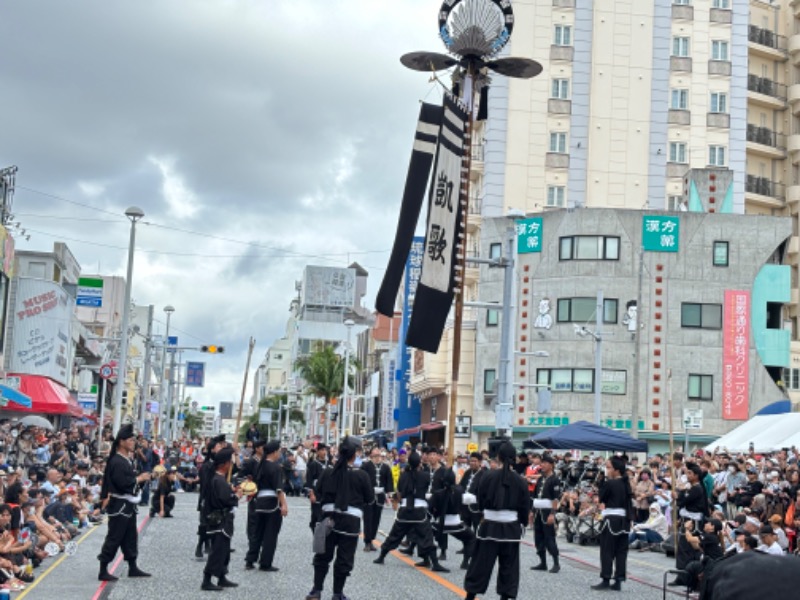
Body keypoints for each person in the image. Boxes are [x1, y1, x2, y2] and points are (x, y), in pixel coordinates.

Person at [306, 437, 374, 600]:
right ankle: (337, 593)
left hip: (328, 517)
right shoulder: (362, 475)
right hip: (350, 521)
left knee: (323, 555)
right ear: (354, 455)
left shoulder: (328, 471)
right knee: (344, 558)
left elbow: (318, 492)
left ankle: (316, 590)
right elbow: (370, 499)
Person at [464, 441, 530, 600]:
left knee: (480, 565)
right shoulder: (521, 481)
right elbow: (524, 506)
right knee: (509, 567)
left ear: (498, 457)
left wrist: (482, 514)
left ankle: (470, 596)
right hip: (511, 529)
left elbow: (480, 501)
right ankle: (505, 597)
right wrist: (522, 522)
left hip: (489, 527)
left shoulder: (487, 476)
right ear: (514, 458)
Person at [373, 451, 447, 572]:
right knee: (426, 536)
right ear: (419, 463)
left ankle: (381, 556)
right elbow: (429, 490)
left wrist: (398, 502)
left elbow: (399, 492)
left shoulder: (404, 475)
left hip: (405, 510)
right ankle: (435, 563)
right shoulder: (425, 475)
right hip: (419, 511)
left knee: (395, 534)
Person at [97, 424, 152, 581]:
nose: (133, 442)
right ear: (121, 442)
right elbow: (123, 483)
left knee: (130, 537)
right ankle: (103, 569)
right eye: (130, 440)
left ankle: (132, 567)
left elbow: (131, 483)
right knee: (114, 537)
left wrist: (143, 479)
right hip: (119, 505)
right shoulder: (117, 461)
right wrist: (139, 479)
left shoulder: (127, 460)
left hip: (128, 505)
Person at [201, 446, 243, 591]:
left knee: (224, 551)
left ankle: (222, 577)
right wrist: (236, 496)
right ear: (224, 464)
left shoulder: (219, 479)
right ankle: (206, 580)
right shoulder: (218, 480)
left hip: (222, 520)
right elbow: (225, 500)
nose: (231, 465)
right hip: (219, 520)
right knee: (217, 551)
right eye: (229, 462)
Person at [591, 455, 633, 591]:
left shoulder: (610, 483)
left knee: (607, 551)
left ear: (616, 470)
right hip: (624, 521)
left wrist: (601, 482)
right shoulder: (626, 484)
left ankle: (606, 578)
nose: (607, 470)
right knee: (621, 552)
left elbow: (602, 498)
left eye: (608, 467)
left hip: (611, 519)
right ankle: (619, 580)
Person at [245, 440, 288, 571]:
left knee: (257, 533)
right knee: (270, 534)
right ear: (274, 452)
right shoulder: (275, 467)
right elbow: (278, 489)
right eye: (279, 451)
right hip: (272, 503)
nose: (280, 453)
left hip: (259, 502)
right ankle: (265, 562)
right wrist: (284, 504)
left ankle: (250, 559)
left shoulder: (260, 465)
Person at [669, 462, 708, 587]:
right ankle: (684, 576)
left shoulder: (697, 488)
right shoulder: (692, 488)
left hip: (693, 523)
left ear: (696, 476)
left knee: (687, 549)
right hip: (688, 520)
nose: (688, 475)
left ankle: (687, 577)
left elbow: (684, 500)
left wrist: (678, 495)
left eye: (690, 473)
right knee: (685, 549)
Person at [429, 468, 475, 570]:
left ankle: (430, 560)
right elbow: (469, 499)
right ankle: (465, 562)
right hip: (456, 524)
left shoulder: (437, 493)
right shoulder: (459, 491)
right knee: (471, 538)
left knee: (425, 537)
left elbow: (430, 508)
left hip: (438, 524)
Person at [196, 434, 226, 559]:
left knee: (215, 522)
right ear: (212, 449)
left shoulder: (221, 463)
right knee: (204, 523)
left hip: (217, 498)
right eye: (219, 446)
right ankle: (200, 544)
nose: (221, 448)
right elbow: (206, 484)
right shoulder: (207, 465)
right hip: (207, 497)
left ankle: (212, 544)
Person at [530, 454, 562, 573]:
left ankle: (556, 563)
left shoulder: (555, 480)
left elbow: (555, 499)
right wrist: (532, 511)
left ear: (551, 465)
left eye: (545, 463)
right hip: (538, 511)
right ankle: (542, 562)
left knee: (549, 538)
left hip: (547, 512)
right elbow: (535, 496)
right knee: (538, 538)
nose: (542, 465)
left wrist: (552, 514)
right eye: (541, 463)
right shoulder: (541, 478)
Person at [361, 445, 394, 552]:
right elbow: (361, 480)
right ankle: (367, 541)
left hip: (380, 495)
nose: (377, 457)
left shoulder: (386, 467)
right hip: (368, 495)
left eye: (378, 454)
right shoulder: (365, 466)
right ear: (371, 455)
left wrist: (389, 495)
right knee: (368, 519)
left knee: (376, 519)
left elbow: (389, 481)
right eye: (375, 455)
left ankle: (372, 540)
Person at [459, 452, 485, 532]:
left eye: (474, 461)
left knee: (477, 531)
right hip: (465, 507)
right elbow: (461, 486)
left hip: (476, 509)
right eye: (471, 461)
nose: (472, 463)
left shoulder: (484, 474)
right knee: (465, 531)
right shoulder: (467, 472)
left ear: (480, 462)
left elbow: (484, 493)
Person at [306, 444, 329, 533]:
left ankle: (322, 537)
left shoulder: (329, 464)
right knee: (316, 517)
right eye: (322, 450)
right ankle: (316, 533)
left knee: (324, 517)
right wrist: (311, 494)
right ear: (318, 451)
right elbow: (309, 481)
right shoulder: (313, 464)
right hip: (316, 494)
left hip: (327, 494)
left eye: (325, 450)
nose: (324, 452)